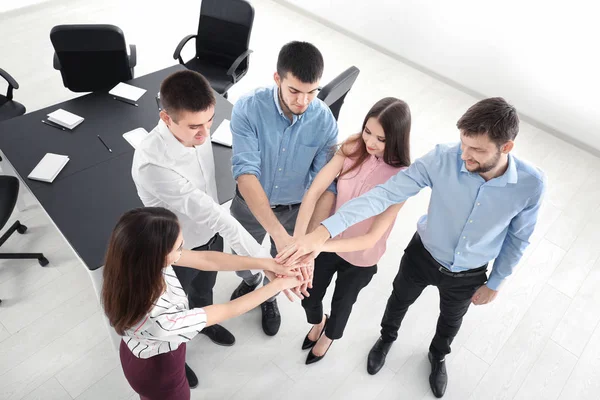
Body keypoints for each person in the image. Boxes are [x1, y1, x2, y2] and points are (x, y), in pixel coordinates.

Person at [277, 98, 546, 397]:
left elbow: (518, 238)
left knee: (450, 321)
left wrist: (496, 282)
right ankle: (385, 340)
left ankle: (438, 356)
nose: (465, 156)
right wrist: (323, 231)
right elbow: (383, 195)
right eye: (463, 145)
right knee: (398, 302)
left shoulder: (530, 184)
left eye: (477, 150)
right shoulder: (443, 158)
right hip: (422, 255)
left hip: (469, 273)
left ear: (505, 147)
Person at [102, 207, 306, 400]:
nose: (183, 249)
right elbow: (228, 309)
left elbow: (207, 260)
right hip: (159, 372)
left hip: (137, 350)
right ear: (157, 257)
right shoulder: (159, 317)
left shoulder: (129, 267)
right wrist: (279, 284)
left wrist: (265, 263)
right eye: (179, 247)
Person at [132, 70, 270, 347]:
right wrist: (265, 263)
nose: (205, 133)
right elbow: (212, 212)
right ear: (166, 118)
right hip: (175, 253)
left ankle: (204, 326)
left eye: (209, 121)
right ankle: (176, 351)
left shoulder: (196, 132)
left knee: (204, 290)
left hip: (209, 237)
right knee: (174, 310)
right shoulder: (153, 165)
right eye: (195, 126)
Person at [229, 41, 339, 336]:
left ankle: (269, 296)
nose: (303, 101)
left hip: (295, 209)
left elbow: (324, 187)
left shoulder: (325, 121)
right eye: (294, 91)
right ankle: (250, 281)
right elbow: (245, 174)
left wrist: (304, 244)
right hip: (249, 204)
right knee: (243, 257)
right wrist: (279, 234)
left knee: (284, 263)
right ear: (277, 79)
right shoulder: (248, 108)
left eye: (312, 92)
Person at [292, 98, 411, 365]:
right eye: (368, 131)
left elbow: (370, 238)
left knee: (342, 305)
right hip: (327, 241)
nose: (370, 142)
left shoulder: (403, 178)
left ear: (396, 138)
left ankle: (329, 336)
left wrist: (316, 245)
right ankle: (316, 321)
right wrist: (301, 242)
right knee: (308, 294)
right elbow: (314, 192)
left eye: (381, 138)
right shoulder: (353, 146)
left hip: (361, 256)